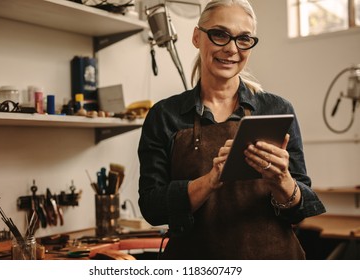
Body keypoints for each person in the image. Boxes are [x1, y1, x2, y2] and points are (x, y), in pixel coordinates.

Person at [138, 0, 326, 260]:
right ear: (196, 37)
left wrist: (282, 180)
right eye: (219, 34)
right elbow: (152, 207)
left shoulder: (276, 109)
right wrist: (209, 181)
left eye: (243, 39)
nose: (231, 49)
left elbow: (299, 210)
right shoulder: (164, 116)